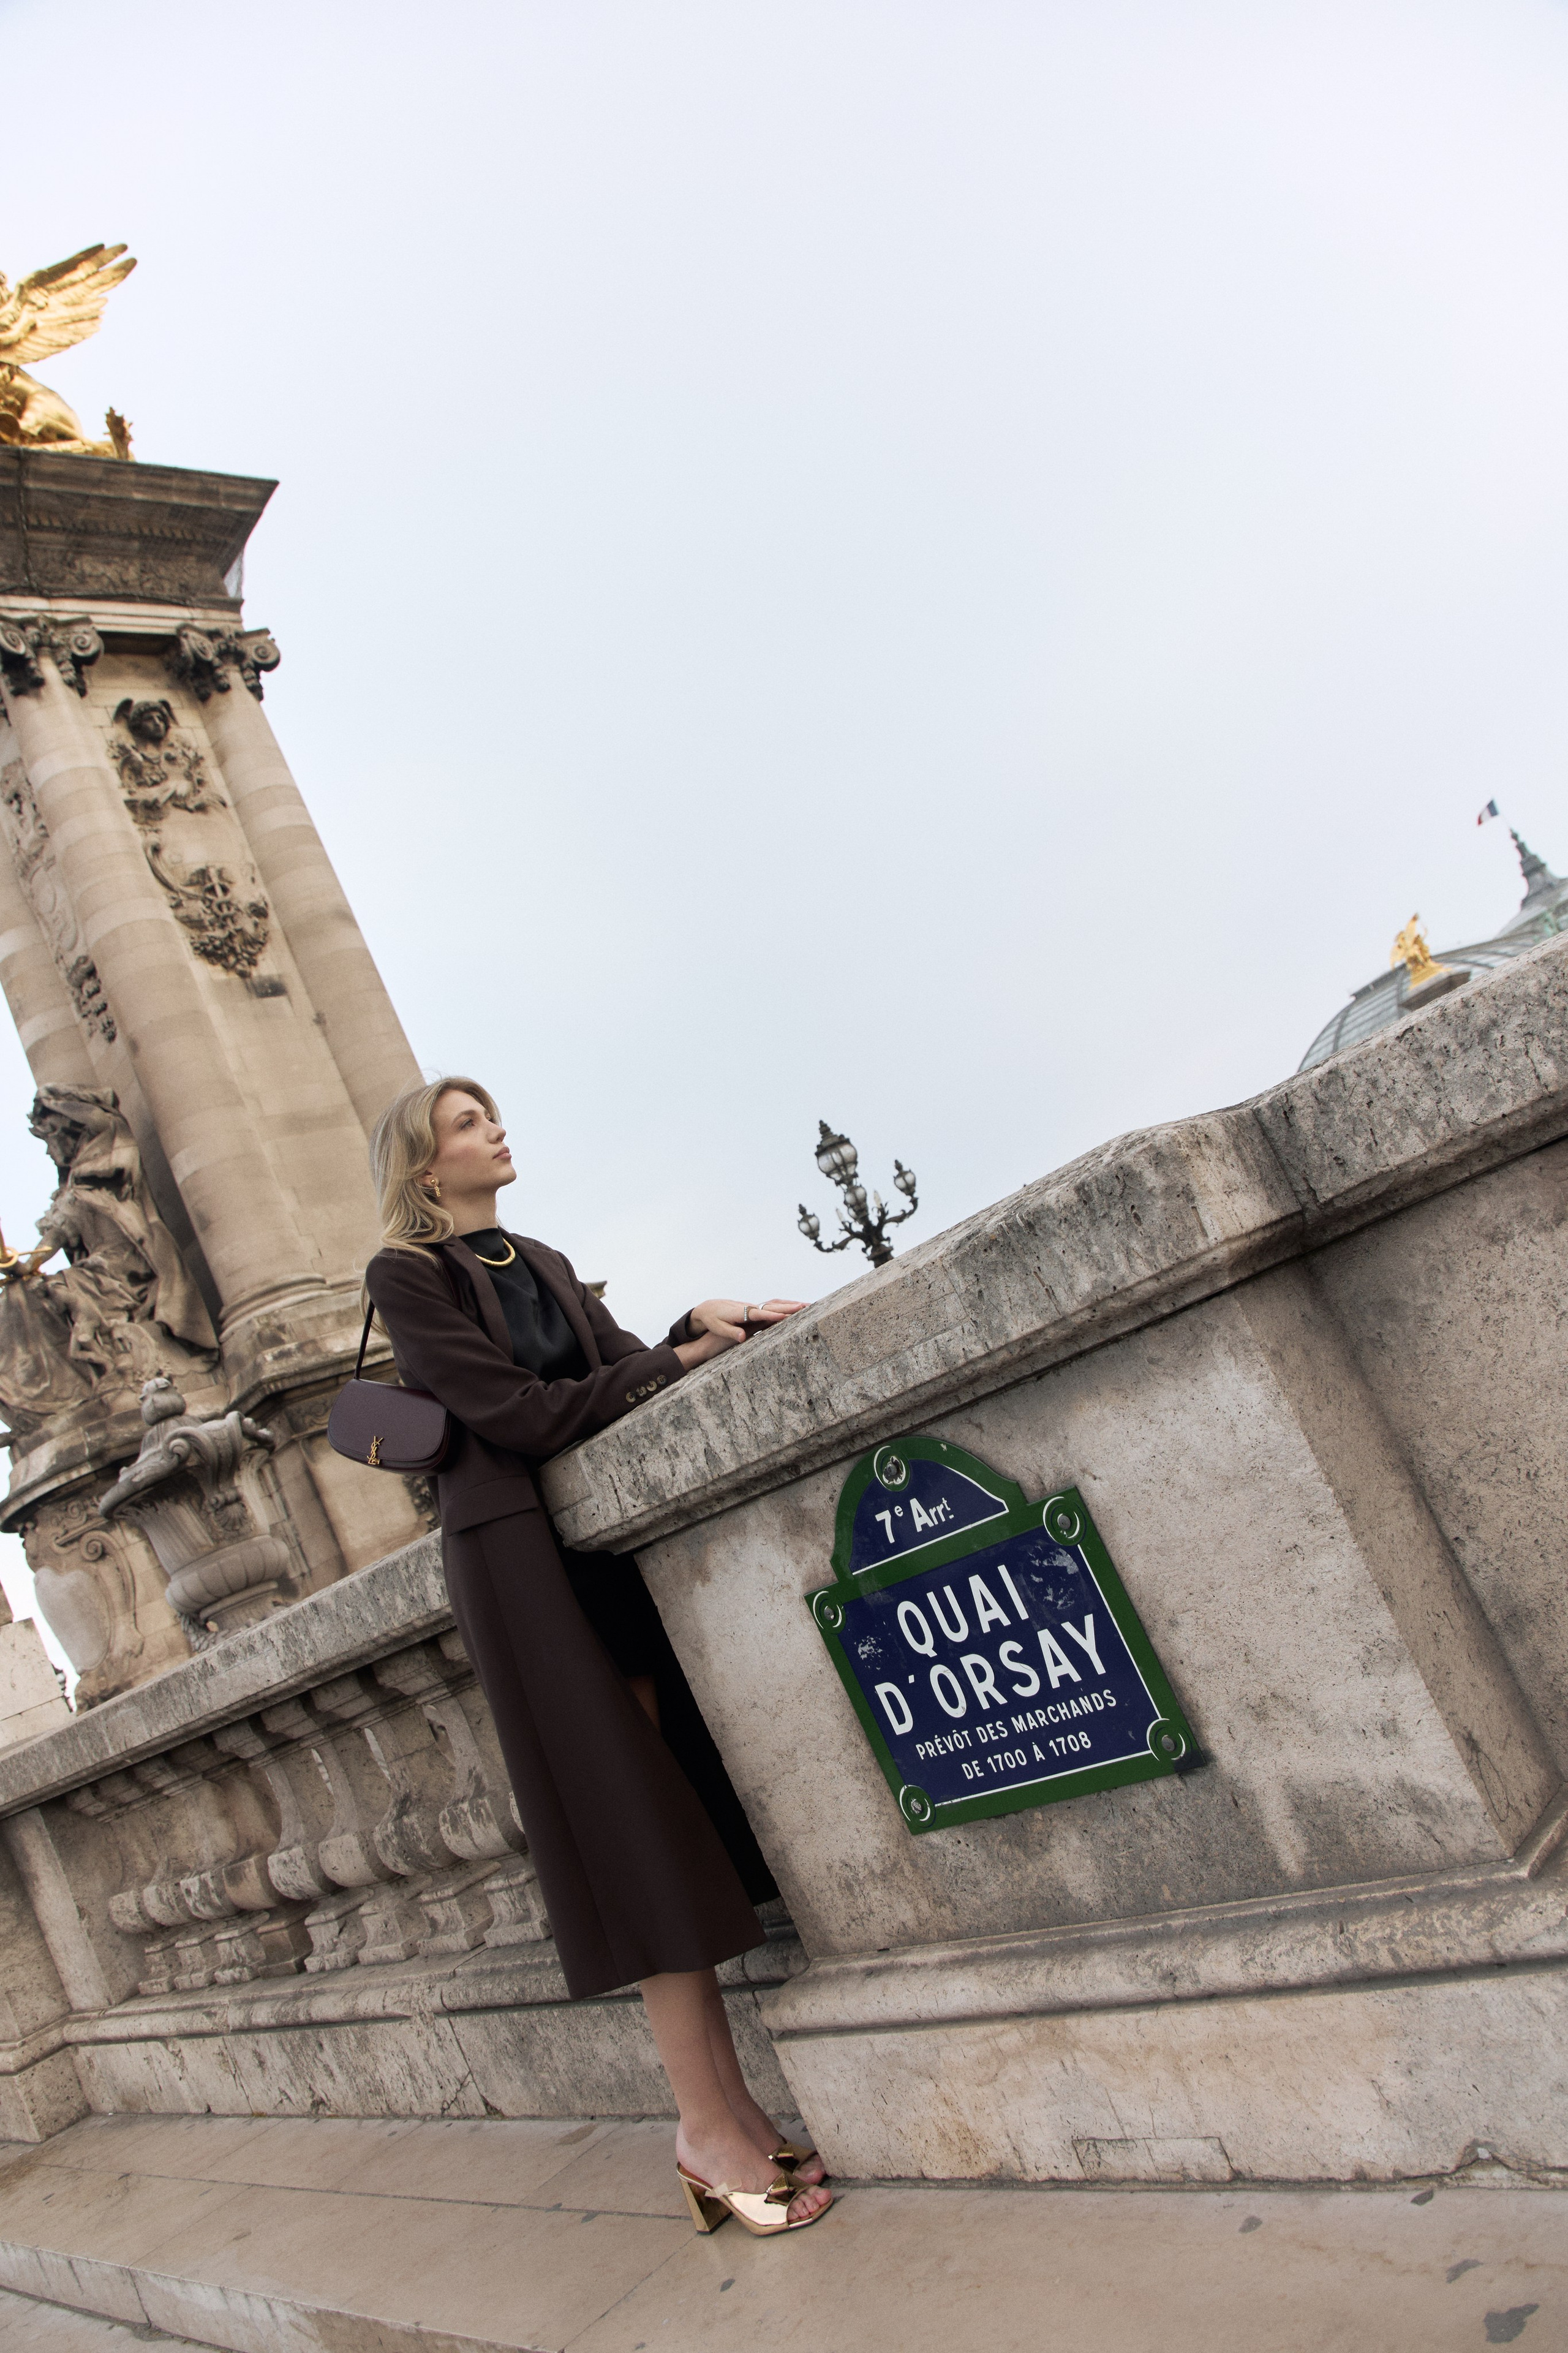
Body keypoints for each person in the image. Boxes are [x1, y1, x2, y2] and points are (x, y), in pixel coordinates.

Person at [363, 1077, 832, 2237]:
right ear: (428, 1170)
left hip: (602, 1561)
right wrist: (660, 1363)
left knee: (672, 1830)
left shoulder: (545, 1259)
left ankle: (730, 2108)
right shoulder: (407, 1275)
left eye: (491, 1115)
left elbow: (613, 1371)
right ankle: (701, 2125)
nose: (496, 1131)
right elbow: (518, 1415)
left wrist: (699, 1331)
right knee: (635, 1837)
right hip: (521, 1567)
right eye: (469, 1124)